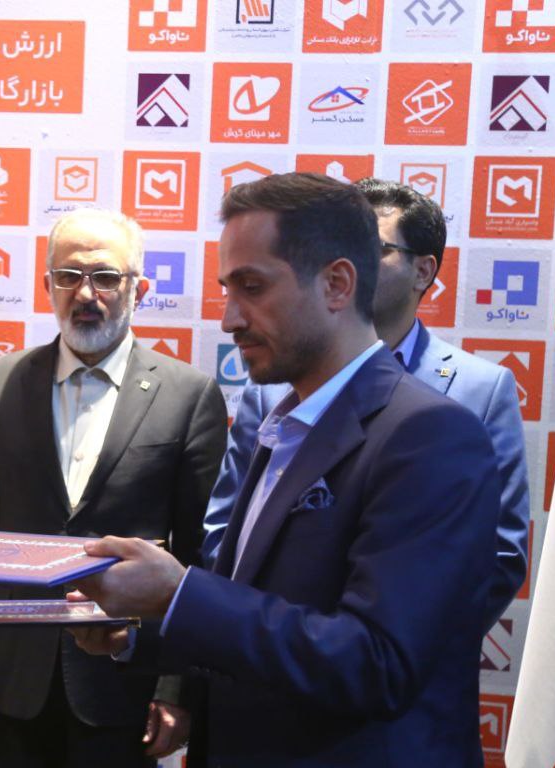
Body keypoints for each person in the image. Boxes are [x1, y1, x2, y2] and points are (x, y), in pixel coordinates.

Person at [71, 173, 500, 768]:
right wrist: (138, 632)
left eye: (253, 287)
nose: (229, 318)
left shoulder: (428, 435)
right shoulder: (284, 423)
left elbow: (377, 662)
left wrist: (179, 596)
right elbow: (264, 612)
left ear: (336, 284)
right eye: (227, 289)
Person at [0, 208, 227, 768]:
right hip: (14, 674)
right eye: (68, 276)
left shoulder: (189, 395)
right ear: (47, 285)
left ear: (138, 287)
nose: (86, 293)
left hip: (125, 679)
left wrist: (178, 685)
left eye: (105, 277)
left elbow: (199, 559)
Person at [203, 177, 528, 629]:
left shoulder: (468, 400)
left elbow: (492, 560)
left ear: (423, 271)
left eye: (374, 248)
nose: (230, 319)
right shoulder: (273, 390)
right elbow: (230, 539)